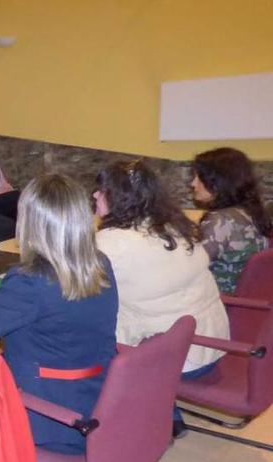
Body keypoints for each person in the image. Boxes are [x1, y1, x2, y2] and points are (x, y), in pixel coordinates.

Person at [0, 174, 117, 454]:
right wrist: (3, 300)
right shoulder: (99, 263)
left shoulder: (31, 280)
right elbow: (54, 309)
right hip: (99, 401)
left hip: (51, 418)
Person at [94, 160, 229, 437]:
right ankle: (165, 411)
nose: (95, 195)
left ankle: (133, 416)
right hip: (213, 343)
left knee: (79, 333)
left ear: (119, 198)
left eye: (101, 190)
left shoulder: (111, 243)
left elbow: (71, 287)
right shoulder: (176, 226)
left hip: (173, 360)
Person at [191, 148, 272, 294]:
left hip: (217, 305)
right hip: (243, 304)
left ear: (218, 181)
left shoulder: (220, 221)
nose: (193, 183)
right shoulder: (253, 214)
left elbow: (189, 268)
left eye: (199, 177)